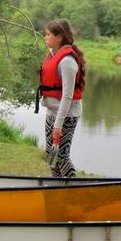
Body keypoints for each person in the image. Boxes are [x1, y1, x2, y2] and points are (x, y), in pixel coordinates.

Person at [38, 19, 86, 178]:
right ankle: (56, 186)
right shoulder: (53, 56)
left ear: (59, 38)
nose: (45, 38)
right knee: (51, 155)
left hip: (66, 115)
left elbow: (67, 96)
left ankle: (72, 187)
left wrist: (58, 125)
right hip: (53, 112)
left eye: (48, 34)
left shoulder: (67, 61)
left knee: (62, 156)